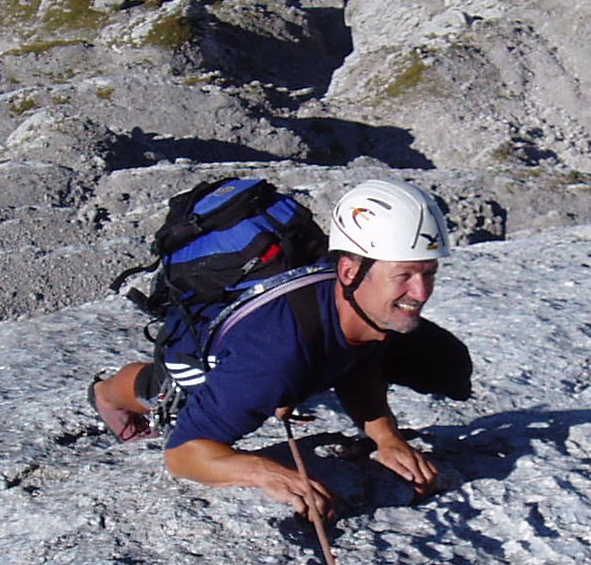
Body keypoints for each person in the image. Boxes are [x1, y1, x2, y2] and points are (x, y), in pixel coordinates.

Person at [89, 179, 453, 523]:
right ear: (348, 271)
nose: (421, 293)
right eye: (404, 275)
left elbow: (357, 363)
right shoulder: (273, 361)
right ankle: (105, 394)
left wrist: (386, 438)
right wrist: (264, 472)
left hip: (277, 346)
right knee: (167, 387)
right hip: (211, 347)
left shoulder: (370, 308)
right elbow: (183, 454)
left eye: (429, 273)